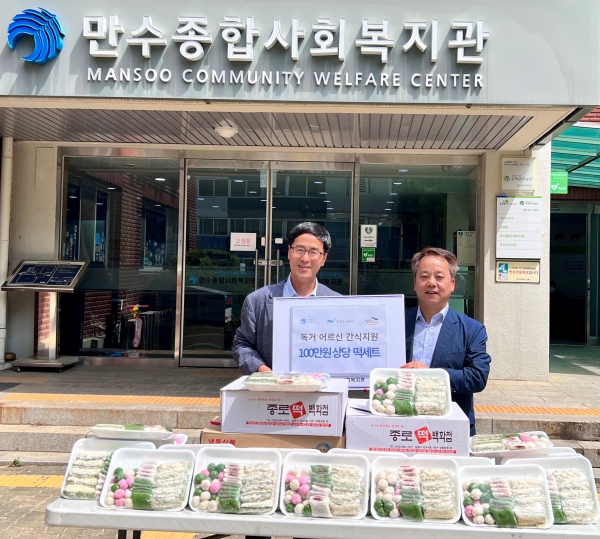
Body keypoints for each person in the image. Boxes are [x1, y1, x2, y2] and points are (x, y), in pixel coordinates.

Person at [402, 247, 491, 435]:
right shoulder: (396, 323)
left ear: (452, 284)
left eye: (439, 277)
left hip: (448, 427)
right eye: (424, 276)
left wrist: (431, 375)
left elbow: (477, 377)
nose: (431, 283)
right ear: (415, 283)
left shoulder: (472, 330)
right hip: (400, 421)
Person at [233, 222, 340, 375]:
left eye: (313, 252)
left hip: (321, 387)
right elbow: (242, 345)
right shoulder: (257, 301)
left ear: (324, 258)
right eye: (299, 250)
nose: (305, 258)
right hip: (275, 387)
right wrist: (263, 371)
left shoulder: (338, 304)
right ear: (289, 252)